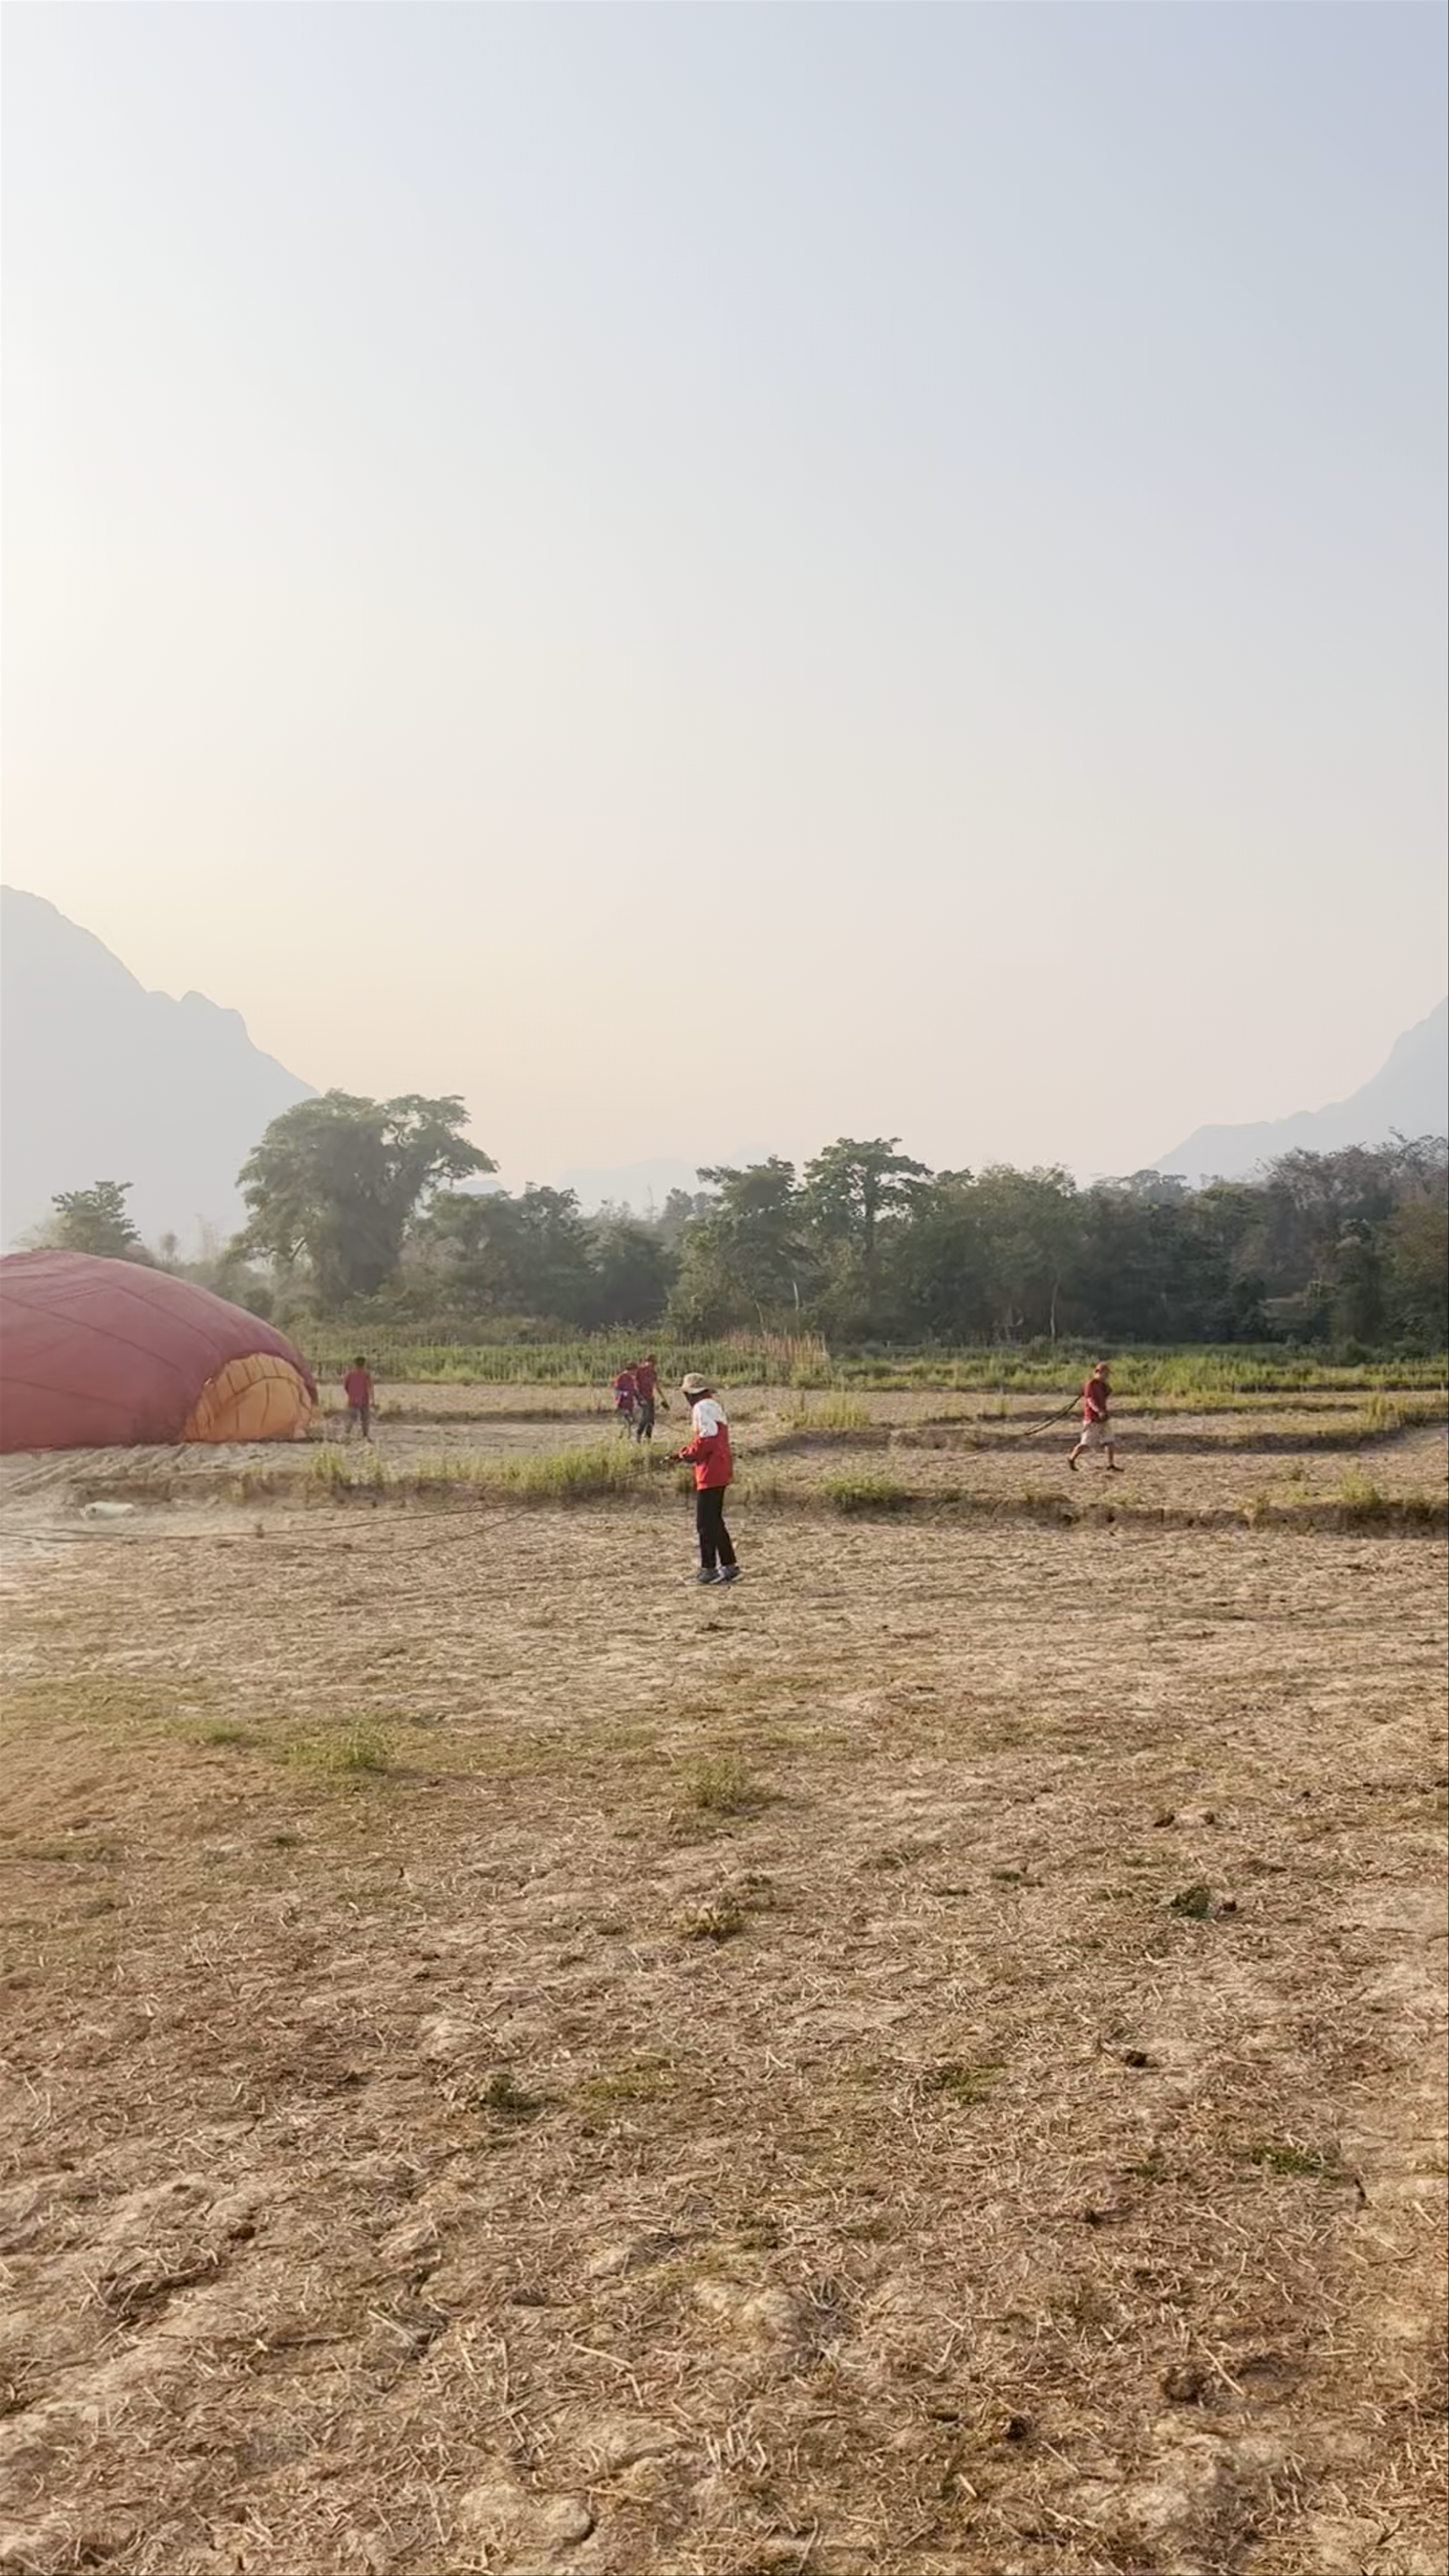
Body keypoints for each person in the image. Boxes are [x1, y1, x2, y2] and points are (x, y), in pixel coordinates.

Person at [676, 1372, 740, 1584]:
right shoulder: (713, 1406)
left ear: (692, 1394)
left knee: (705, 1524)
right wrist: (684, 1453)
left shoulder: (700, 1408)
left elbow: (707, 1441)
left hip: (710, 1471)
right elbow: (709, 1438)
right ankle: (729, 1566)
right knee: (715, 1521)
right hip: (720, 1468)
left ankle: (709, 1570)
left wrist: (687, 1456)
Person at [1068, 1359, 1120, 1473]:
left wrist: (1106, 1387)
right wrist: (1099, 1411)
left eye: (1108, 1374)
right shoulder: (1090, 1385)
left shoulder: (1103, 1385)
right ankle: (1072, 1458)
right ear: (1098, 1373)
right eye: (1105, 1374)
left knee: (1110, 1441)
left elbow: (1108, 1394)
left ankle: (1111, 1464)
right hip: (1092, 1419)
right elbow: (1090, 1401)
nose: (1107, 1376)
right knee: (1086, 1443)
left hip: (1103, 1418)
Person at [631, 1353, 662, 1443]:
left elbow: (657, 1387)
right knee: (646, 1417)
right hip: (642, 1398)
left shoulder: (654, 1373)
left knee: (651, 1420)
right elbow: (635, 1385)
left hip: (650, 1398)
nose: (652, 1366)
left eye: (654, 1364)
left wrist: (664, 1399)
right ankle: (639, 1435)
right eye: (651, 1363)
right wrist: (640, 1398)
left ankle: (648, 1438)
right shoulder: (640, 1371)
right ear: (647, 1362)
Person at [343, 1354, 374, 1441]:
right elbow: (370, 1387)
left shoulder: (350, 1374)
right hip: (364, 1399)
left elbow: (345, 1386)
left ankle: (346, 1435)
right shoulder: (367, 1374)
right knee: (365, 1419)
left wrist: (351, 1394)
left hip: (353, 1399)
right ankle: (365, 1436)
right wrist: (373, 1400)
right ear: (364, 1364)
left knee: (351, 1418)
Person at [611, 1366, 638, 1430]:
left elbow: (634, 1390)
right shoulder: (621, 1378)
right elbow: (617, 1390)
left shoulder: (631, 1379)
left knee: (633, 1420)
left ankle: (625, 1434)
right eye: (635, 1371)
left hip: (630, 1403)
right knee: (627, 1420)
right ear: (631, 1370)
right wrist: (624, 1394)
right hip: (623, 1403)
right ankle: (625, 1434)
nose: (635, 1373)